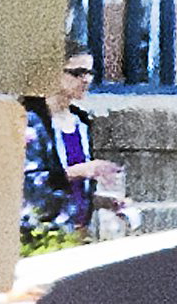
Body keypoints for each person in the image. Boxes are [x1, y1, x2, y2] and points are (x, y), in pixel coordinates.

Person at [20, 48, 130, 238]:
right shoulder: (32, 121)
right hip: (42, 232)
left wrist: (102, 201)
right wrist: (82, 170)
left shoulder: (81, 121)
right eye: (77, 73)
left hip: (77, 229)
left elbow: (74, 189)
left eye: (89, 73)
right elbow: (30, 185)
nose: (85, 80)